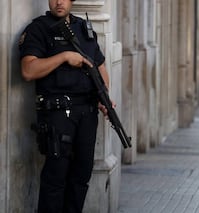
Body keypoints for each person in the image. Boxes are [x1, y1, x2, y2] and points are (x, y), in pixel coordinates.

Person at [19, 0, 111, 212]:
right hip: (58, 114)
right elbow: (28, 70)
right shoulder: (38, 28)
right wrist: (64, 57)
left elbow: (100, 65)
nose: (59, 2)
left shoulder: (83, 28)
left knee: (81, 175)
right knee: (56, 176)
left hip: (87, 114)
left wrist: (104, 97)